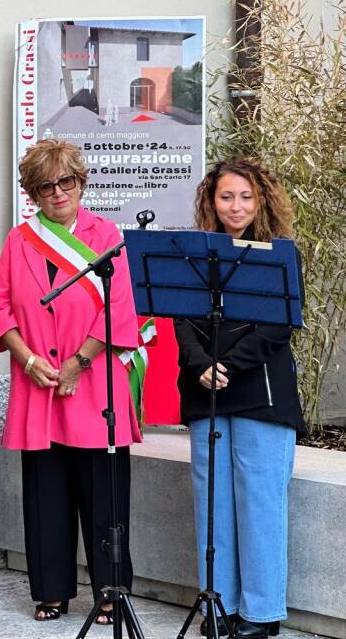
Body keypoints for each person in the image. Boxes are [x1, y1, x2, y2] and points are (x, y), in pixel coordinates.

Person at [0, 139, 141, 624]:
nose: (57, 193)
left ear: (81, 182)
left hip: (95, 385)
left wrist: (79, 361)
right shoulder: (19, 241)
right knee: (45, 495)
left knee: (104, 495)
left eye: (65, 182)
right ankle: (50, 591)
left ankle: (112, 591)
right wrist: (28, 359)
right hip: (39, 386)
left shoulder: (106, 234)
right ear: (32, 192)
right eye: (45, 186)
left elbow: (121, 310)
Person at [174, 157, 305, 639]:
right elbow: (179, 316)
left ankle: (262, 612)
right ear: (212, 201)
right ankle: (220, 604)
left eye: (246, 196)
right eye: (227, 196)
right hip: (205, 388)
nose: (236, 205)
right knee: (212, 500)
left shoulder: (281, 253)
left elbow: (280, 325)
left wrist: (227, 364)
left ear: (262, 200)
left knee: (259, 502)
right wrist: (199, 363)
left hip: (260, 392)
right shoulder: (190, 254)